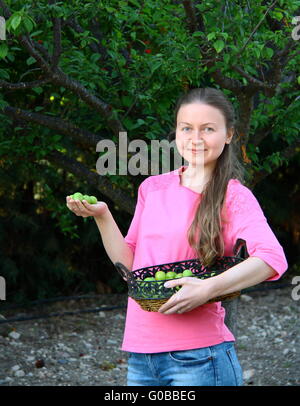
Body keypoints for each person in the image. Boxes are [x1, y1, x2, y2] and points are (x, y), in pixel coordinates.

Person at [66, 87, 288, 387]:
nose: (195, 139)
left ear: (229, 134)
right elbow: (133, 269)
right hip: (140, 354)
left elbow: (272, 259)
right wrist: (103, 216)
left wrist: (207, 289)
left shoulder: (235, 196)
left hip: (200, 358)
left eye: (208, 129)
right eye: (187, 128)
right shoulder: (152, 188)